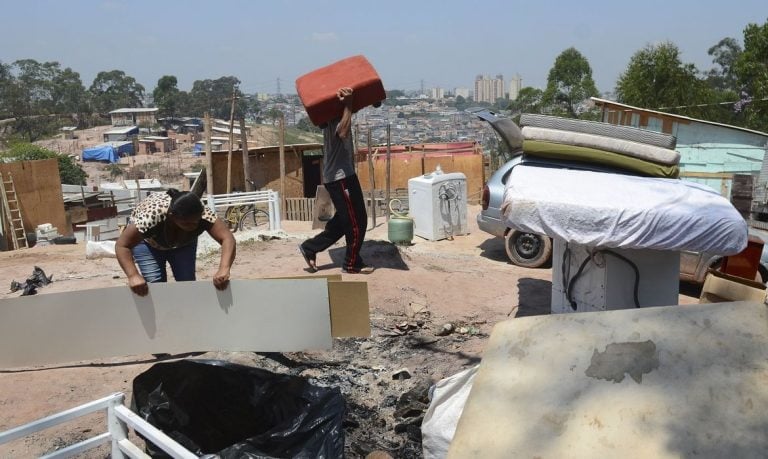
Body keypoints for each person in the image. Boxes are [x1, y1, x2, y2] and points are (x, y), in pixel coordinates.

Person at [300, 87, 374, 274]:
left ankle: (310, 247)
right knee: (357, 221)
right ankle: (351, 263)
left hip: (343, 176)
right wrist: (348, 105)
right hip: (340, 179)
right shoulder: (335, 117)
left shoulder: (333, 113)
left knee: (343, 221)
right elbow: (342, 132)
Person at [116, 189, 236, 296]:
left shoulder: (204, 214)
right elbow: (122, 245)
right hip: (149, 244)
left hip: (183, 244)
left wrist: (224, 268)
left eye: (196, 222)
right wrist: (133, 276)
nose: (193, 227)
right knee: (155, 284)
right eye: (187, 223)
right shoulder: (151, 217)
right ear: (172, 216)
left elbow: (227, 238)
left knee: (186, 283)